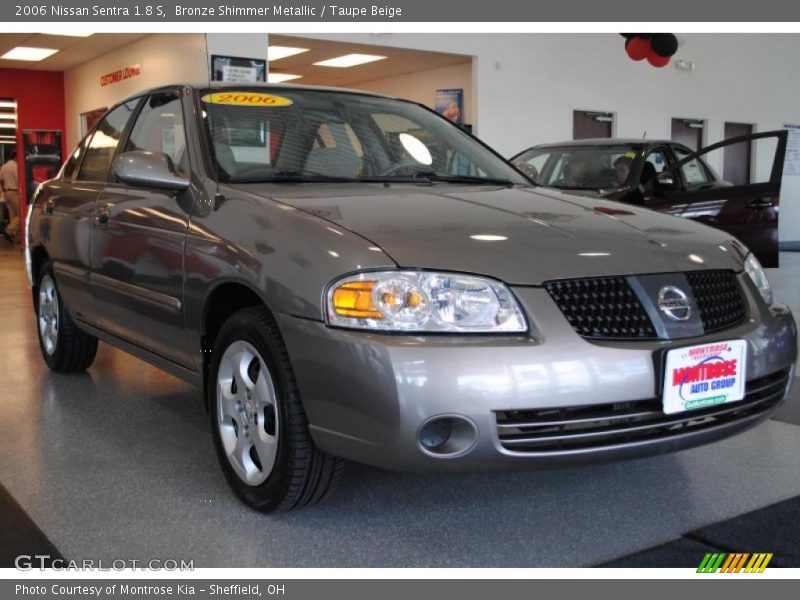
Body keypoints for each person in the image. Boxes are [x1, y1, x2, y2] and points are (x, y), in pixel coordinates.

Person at [1, 151, 20, 244]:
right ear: (16, 157)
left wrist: (5, 191)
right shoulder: (16, 166)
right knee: (21, 214)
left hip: (7, 193)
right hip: (15, 192)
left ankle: (14, 237)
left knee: (13, 215)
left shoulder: (4, 166)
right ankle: (9, 230)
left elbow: (1, 180)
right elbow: (19, 180)